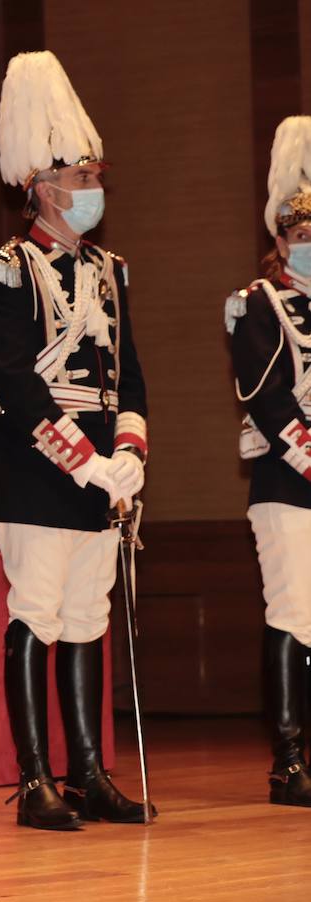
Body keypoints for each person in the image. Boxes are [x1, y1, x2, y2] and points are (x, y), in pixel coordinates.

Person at [0, 50, 150, 831]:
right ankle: (35, 776)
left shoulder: (112, 270)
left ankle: (87, 774)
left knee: (87, 617)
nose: (92, 192)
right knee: (37, 612)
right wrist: (88, 464)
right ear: (42, 188)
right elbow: (16, 387)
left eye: (96, 177)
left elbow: (131, 378)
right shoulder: (6, 271)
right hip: (37, 471)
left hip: (104, 473)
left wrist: (130, 458)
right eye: (80, 180)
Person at [226, 115, 311, 809]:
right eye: (301, 234)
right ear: (278, 239)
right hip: (290, 484)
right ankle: (288, 761)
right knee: (295, 613)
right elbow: (264, 395)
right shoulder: (256, 304)